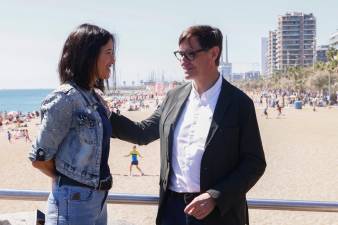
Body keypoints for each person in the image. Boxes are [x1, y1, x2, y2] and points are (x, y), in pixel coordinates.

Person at [110, 25, 266, 225]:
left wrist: (215, 196)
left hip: (217, 212)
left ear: (214, 53)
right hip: (172, 209)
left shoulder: (239, 103)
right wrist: (104, 114)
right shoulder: (173, 97)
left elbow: (254, 162)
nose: (183, 61)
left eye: (190, 54)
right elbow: (142, 132)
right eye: (180, 54)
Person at [28, 23, 116, 225]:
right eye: (108, 53)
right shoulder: (65, 99)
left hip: (97, 200)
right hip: (73, 202)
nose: (113, 60)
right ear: (89, 55)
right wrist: (68, 182)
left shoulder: (94, 98)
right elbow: (39, 157)